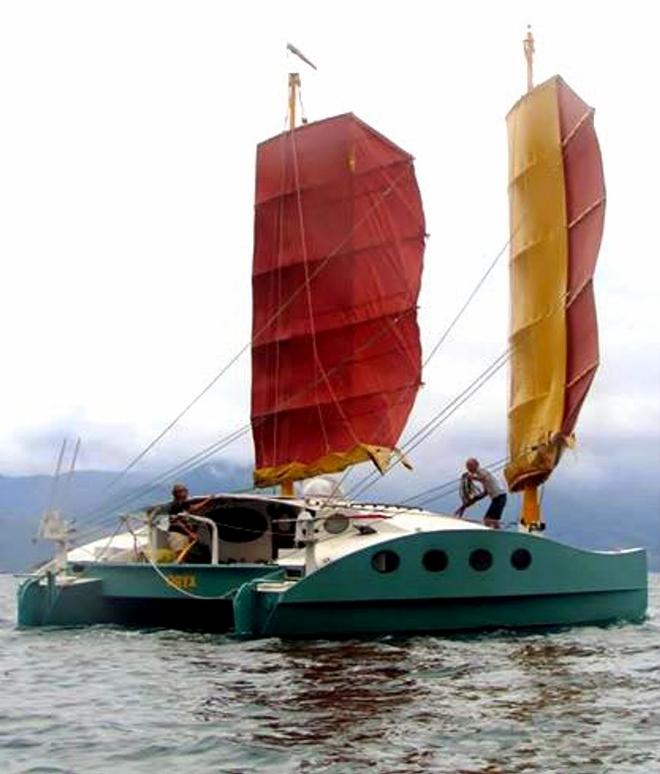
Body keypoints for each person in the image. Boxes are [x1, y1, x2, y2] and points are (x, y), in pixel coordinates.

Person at [455, 458, 507, 528]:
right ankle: (496, 532)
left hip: (500, 496)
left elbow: (484, 478)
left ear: (476, 465)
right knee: (491, 519)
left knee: (489, 519)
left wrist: (472, 478)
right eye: (467, 467)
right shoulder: (481, 476)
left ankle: (497, 533)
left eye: (470, 466)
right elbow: (484, 493)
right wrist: (465, 505)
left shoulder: (481, 471)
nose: (468, 469)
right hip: (498, 498)